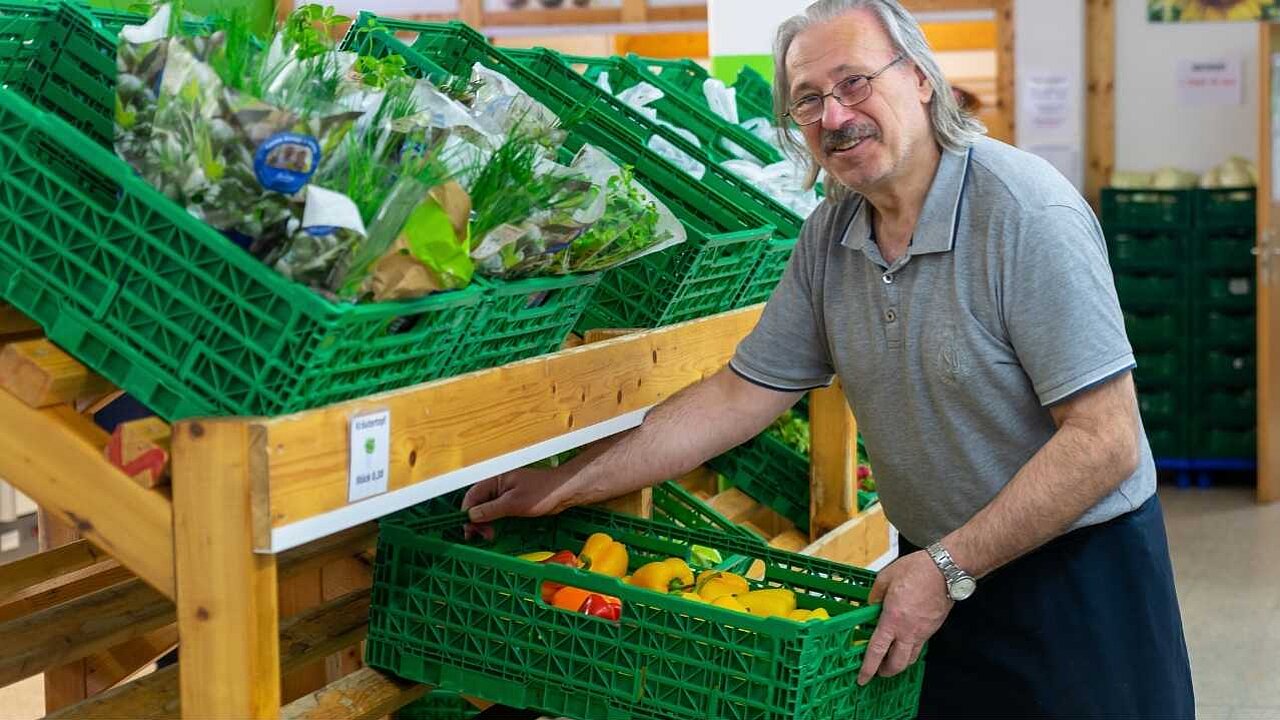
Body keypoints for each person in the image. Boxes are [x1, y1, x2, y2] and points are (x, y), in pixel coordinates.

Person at [463, 1, 1195, 716]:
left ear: (919, 78)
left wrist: (948, 566)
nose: (835, 117)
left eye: (854, 83)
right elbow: (737, 396)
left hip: (1075, 579)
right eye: (807, 101)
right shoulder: (831, 233)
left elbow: (1105, 441)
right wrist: (564, 487)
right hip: (936, 574)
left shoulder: (1026, 215)